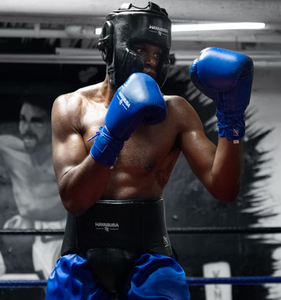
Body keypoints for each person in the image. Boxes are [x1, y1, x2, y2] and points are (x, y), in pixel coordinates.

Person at [45, 2, 254, 300]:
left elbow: (224, 188)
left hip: (150, 261)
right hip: (81, 257)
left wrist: (230, 119)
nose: (151, 62)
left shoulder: (177, 112)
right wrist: (113, 136)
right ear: (109, 47)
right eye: (141, 49)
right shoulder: (71, 107)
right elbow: (74, 200)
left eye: (159, 54)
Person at [0, 94, 66, 280]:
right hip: (26, 233)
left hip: (62, 234)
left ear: (52, 124)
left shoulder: (68, 156)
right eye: (22, 119)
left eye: (36, 121)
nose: (26, 129)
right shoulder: (8, 149)